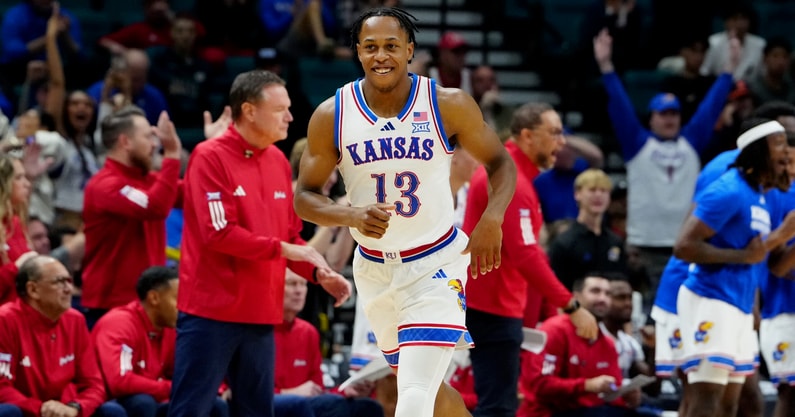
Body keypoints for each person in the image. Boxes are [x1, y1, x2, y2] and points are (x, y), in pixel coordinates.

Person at [293, 7, 517, 417]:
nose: (382, 56)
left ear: (410, 50)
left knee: (412, 394)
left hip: (436, 264)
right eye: (371, 47)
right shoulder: (332, 115)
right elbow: (304, 197)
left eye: (392, 46)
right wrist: (351, 216)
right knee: (429, 391)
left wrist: (492, 217)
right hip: (374, 270)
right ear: (358, 53)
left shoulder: (447, 104)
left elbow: (502, 163)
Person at [168, 69, 351, 417]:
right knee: (190, 411)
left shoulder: (278, 161)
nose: (290, 117)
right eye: (280, 109)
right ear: (249, 111)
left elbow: (291, 236)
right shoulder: (209, 157)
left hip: (261, 313)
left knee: (256, 413)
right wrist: (286, 250)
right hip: (211, 312)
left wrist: (318, 273)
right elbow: (218, 234)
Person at [462, 102, 598, 417]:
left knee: (498, 405)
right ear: (527, 136)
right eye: (554, 133)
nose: (561, 143)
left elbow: (525, 253)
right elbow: (525, 255)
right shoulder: (511, 182)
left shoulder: (510, 175)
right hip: (491, 308)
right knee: (497, 408)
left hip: (494, 305)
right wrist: (571, 307)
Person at [593, 27, 738, 295]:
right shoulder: (638, 144)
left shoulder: (691, 142)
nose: (669, 119)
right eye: (663, 114)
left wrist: (729, 70)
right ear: (652, 119)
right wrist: (606, 67)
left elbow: (711, 107)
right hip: (643, 246)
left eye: (674, 114)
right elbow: (621, 106)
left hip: (683, 245)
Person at [673, 118, 795, 417]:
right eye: (780, 151)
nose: (787, 164)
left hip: (737, 303)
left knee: (731, 404)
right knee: (706, 398)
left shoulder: (762, 198)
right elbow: (684, 246)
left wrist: (785, 237)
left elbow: (768, 260)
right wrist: (744, 256)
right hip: (711, 299)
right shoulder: (728, 190)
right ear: (759, 154)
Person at [80, 106, 182, 326]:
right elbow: (155, 207)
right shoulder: (105, 185)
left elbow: (195, 192)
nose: (155, 144)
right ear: (125, 142)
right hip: (111, 306)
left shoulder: (148, 181)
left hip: (147, 304)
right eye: (147, 137)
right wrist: (172, 154)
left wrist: (217, 148)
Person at [92, 266, 228, 417]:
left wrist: (218, 388)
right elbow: (120, 381)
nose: (185, 307)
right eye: (178, 299)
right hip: (111, 400)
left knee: (215, 404)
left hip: (153, 396)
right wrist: (172, 387)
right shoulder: (119, 324)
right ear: (154, 298)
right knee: (143, 403)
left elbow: (191, 369)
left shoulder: (171, 327)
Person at [0, 255, 126, 417]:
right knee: (7, 412)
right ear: (33, 289)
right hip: (27, 410)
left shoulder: (76, 320)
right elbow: (2, 388)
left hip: (67, 410)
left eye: (69, 281)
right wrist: (41, 409)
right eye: (59, 282)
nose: (68, 289)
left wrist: (75, 407)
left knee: (111, 412)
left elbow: (94, 384)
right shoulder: (5, 320)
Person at [518, 274, 640, 417]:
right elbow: (540, 385)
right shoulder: (554, 331)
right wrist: (587, 385)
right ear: (576, 297)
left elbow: (613, 392)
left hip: (591, 411)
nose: (603, 298)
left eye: (607, 294)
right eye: (595, 291)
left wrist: (627, 398)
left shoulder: (607, 344)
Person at [274, 268, 384, 417]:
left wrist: (345, 391)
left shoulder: (308, 332)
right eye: (292, 284)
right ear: (274, 287)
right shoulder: (259, 333)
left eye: (303, 284)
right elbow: (246, 391)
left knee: (369, 407)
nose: (299, 291)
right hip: (275, 402)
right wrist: (289, 393)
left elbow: (318, 390)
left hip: (307, 403)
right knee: (330, 405)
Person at [547, 168, 627, 291]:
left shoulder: (615, 242)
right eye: (592, 190)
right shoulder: (564, 243)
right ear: (577, 194)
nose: (598, 195)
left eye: (603, 191)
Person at [0, 154, 37, 306]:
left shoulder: (15, 222)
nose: (27, 184)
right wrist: (15, 268)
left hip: (22, 315)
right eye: (19, 178)